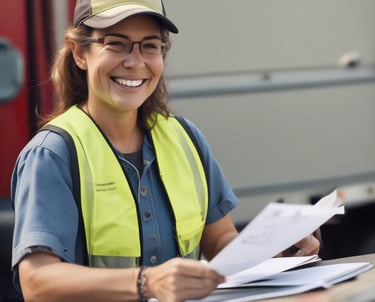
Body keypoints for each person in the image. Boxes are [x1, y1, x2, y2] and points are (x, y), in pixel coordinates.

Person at [10, 0, 320, 301]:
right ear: (80, 53)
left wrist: (272, 251)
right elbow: (37, 283)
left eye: (150, 45)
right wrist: (147, 282)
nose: (135, 62)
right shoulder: (53, 154)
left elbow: (219, 241)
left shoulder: (185, 137)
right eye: (116, 44)